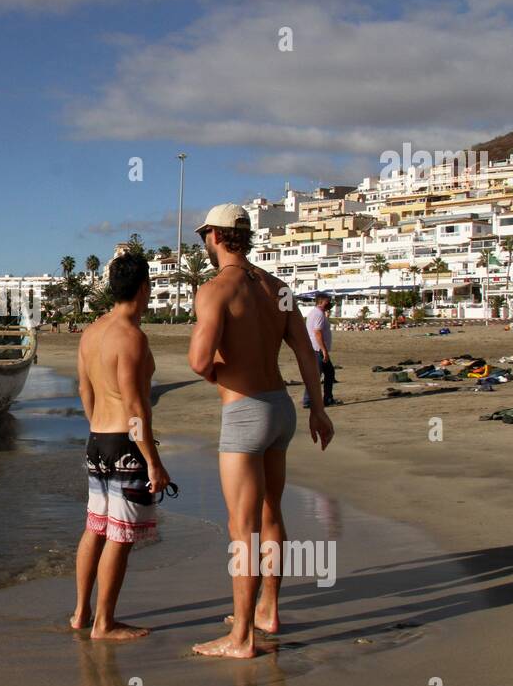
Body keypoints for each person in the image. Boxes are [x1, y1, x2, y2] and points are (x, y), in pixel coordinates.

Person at [187, 204, 334, 659]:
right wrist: (320, 409)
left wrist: (217, 377)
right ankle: (267, 611)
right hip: (282, 410)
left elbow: (198, 359)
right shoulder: (280, 289)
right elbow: (307, 353)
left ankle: (242, 638)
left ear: (213, 236)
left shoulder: (214, 290)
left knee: (242, 530)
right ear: (245, 237)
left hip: (245, 414)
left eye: (205, 237)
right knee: (272, 515)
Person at [72, 251, 170, 641]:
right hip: (125, 444)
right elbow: (134, 406)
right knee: (120, 535)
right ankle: (105, 623)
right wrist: (153, 461)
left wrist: (98, 426)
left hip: (97, 439)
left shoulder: (91, 332)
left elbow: (84, 388)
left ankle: (82, 612)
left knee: (95, 527)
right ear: (144, 288)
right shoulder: (130, 337)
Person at [301, 292, 338, 408]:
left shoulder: (316, 313)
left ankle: (327, 398)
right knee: (316, 376)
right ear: (321, 302)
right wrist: (324, 350)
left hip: (317, 349)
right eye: (328, 301)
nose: (330, 303)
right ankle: (309, 401)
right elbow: (317, 333)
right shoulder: (318, 314)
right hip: (318, 350)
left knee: (328, 373)